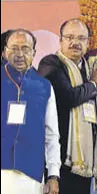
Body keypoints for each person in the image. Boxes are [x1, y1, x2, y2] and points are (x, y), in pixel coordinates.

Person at [38, 19, 97, 194]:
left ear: (88, 43)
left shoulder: (88, 68)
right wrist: (93, 85)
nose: (75, 42)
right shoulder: (51, 64)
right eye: (69, 37)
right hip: (59, 161)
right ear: (60, 41)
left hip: (84, 162)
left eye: (81, 38)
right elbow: (67, 97)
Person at [1, 29, 61, 194]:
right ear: (5, 51)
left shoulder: (44, 86)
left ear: (34, 53)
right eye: (14, 48)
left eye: (25, 49)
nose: (20, 54)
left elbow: (52, 134)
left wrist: (53, 175)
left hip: (31, 174)